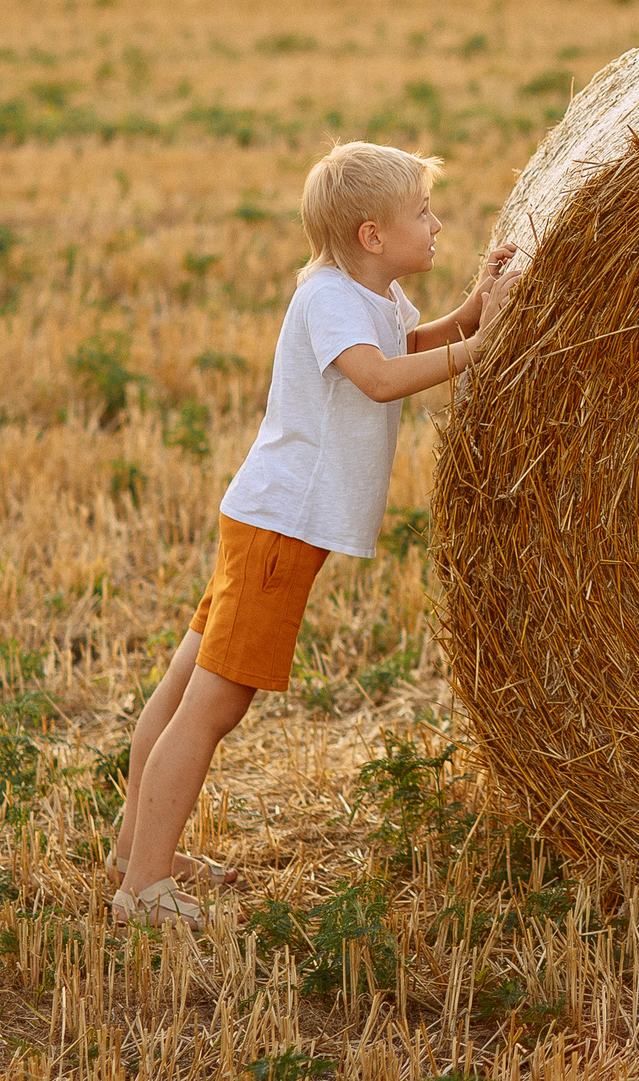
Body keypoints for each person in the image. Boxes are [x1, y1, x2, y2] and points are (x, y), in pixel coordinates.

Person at [108, 141, 522, 927]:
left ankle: (135, 851)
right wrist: (483, 345)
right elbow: (381, 378)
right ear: (372, 234)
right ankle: (145, 889)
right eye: (423, 213)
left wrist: (473, 309)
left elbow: (406, 348)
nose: (436, 224)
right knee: (211, 708)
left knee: (183, 689)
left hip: (267, 519)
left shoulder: (375, 295)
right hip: (279, 528)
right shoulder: (329, 298)